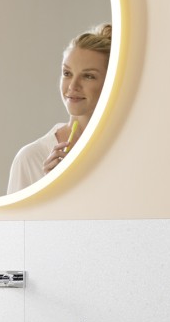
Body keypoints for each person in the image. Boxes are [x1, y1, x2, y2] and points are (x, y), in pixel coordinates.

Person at [6, 23, 113, 194]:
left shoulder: (123, 150)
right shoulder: (31, 158)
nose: (73, 86)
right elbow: (18, 221)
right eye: (67, 73)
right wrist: (51, 190)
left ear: (110, 82)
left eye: (88, 76)